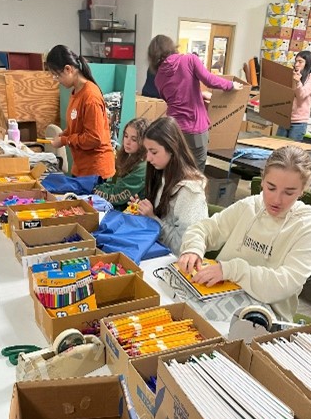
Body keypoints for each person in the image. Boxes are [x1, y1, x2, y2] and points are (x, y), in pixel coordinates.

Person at [177, 145, 311, 322]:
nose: (277, 200)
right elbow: (203, 229)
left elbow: (284, 284)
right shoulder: (249, 206)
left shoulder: (307, 225)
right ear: (262, 180)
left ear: (303, 190)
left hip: (269, 314)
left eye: (289, 192)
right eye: (271, 188)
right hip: (220, 294)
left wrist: (230, 269)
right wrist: (192, 249)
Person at [147, 35, 244, 172]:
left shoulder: (158, 77)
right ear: (171, 47)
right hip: (194, 127)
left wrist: (198, 94)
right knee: (196, 172)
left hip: (172, 128)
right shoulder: (189, 59)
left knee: (177, 170)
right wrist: (230, 85)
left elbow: (174, 99)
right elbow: (209, 79)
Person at [133, 116, 208, 256]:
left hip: (175, 261)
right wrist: (142, 209)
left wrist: (152, 219)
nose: (148, 158)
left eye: (153, 152)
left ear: (172, 149)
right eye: (147, 151)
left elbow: (182, 246)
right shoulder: (162, 173)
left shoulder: (190, 191)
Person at [46, 44, 115, 180]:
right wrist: (64, 134)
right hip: (81, 168)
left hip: (95, 170)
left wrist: (65, 140)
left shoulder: (91, 97)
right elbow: (78, 126)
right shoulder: (75, 92)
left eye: (57, 76)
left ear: (68, 69)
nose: (57, 81)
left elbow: (94, 138)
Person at [93, 117, 149, 209]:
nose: (127, 142)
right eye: (126, 136)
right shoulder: (129, 156)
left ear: (144, 142)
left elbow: (117, 195)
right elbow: (117, 186)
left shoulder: (143, 167)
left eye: (134, 139)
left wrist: (93, 189)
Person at [276, 51, 311, 141]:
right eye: (296, 61)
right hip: (285, 118)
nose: (296, 64)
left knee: (292, 151)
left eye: (300, 62)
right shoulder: (292, 75)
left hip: (298, 122)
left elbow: (301, 95)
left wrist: (297, 82)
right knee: (278, 148)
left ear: (307, 63)